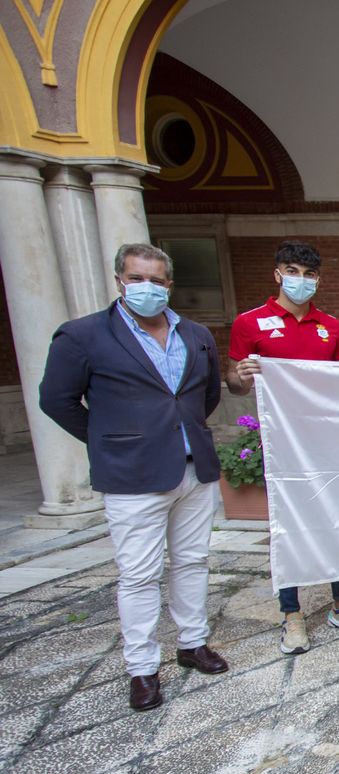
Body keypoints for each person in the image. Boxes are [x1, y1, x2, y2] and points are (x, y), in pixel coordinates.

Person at [39, 243, 230, 712]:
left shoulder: (196, 334)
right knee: (139, 575)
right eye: (137, 278)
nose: (149, 287)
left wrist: (178, 434)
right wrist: (110, 440)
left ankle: (192, 642)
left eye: (158, 280)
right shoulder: (83, 335)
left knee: (192, 562)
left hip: (193, 468)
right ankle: (142, 668)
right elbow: (56, 400)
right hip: (132, 476)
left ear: (169, 283)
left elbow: (204, 396)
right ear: (120, 281)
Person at [229, 240, 339, 654]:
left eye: (310, 274)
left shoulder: (330, 326)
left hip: (328, 438)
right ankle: (291, 613)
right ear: (278, 273)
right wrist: (241, 374)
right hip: (283, 443)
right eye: (293, 271)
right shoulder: (251, 323)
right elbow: (235, 382)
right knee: (288, 524)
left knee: (337, 519)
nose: (302, 280)